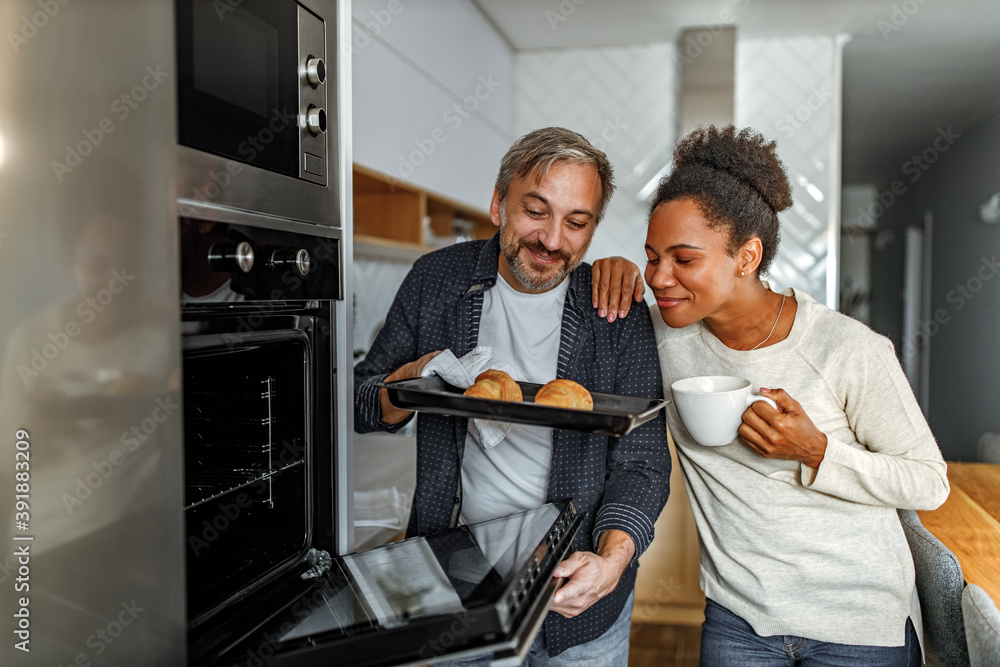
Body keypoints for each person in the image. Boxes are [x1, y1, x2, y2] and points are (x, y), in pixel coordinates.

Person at [592, 125, 949, 666]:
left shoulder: (847, 348)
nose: (659, 277)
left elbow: (929, 482)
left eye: (684, 259)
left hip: (858, 623)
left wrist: (816, 451)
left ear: (747, 256)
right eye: (650, 255)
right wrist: (604, 271)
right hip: (741, 620)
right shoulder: (659, 336)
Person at [354, 127, 671, 665]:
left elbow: (642, 464)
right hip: (455, 581)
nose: (551, 240)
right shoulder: (437, 281)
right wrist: (416, 377)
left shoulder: (613, 311)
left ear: (593, 231)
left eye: (576, 222)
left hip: (578, 594)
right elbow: (364, 404)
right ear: (499, 203)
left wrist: (611, 564)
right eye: (536, 210)